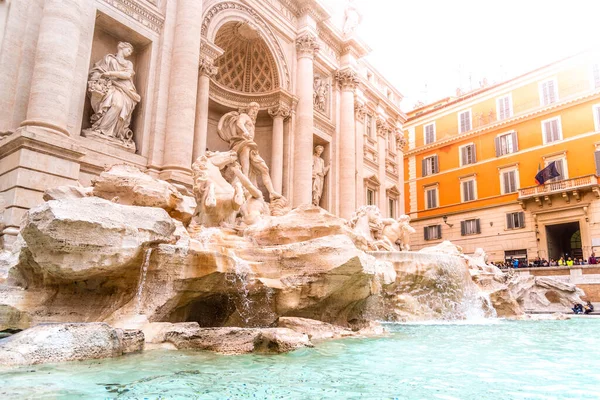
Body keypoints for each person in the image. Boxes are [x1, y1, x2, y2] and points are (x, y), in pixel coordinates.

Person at [217, 102, 281, 200]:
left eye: (256, 111)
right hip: (243, 143)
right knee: (245, 169)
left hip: (251, 146)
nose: (254, 112)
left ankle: (272, 192)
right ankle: (244, 189)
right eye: (253, 110)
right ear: (248, 109)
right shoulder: (244, 116)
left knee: (264, 169)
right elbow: (239, 123)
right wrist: (245, 132)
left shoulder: (251, 121)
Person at [86, 42, 141, 147]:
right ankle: (101, 129)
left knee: (119, 106)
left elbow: (127, 74)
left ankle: (112, 132)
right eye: (128, 50)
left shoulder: (128, 63)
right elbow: (98, 71)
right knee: (115, 104)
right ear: (121, 47)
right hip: (110, 86)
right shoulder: (108, 59)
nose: (129, 53)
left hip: (125, 89)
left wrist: (110, 74)